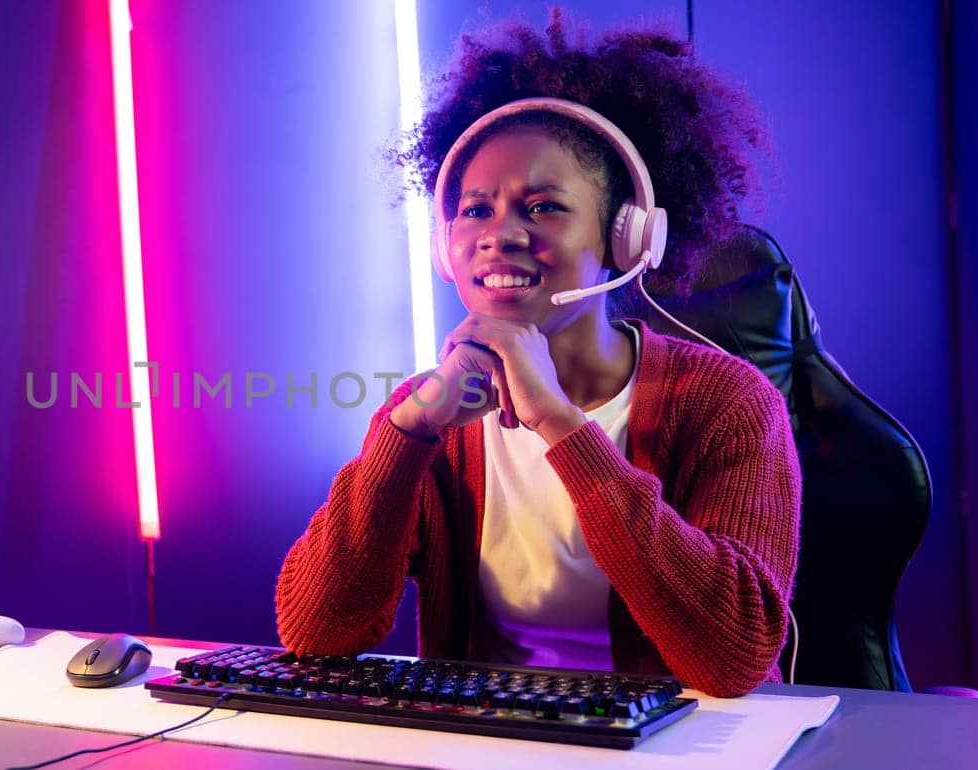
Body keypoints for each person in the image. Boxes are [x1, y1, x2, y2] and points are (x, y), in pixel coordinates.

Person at [274, 12, 800, 698]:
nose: (498, 236)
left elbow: (730, 660)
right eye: (475, 211)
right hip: (485, 743)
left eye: (544, 207)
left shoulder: (727, 402)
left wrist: (560, 424)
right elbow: (317, 632)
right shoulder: (430, 412)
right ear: (443, 245)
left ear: (626, 237)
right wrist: (408, 432)